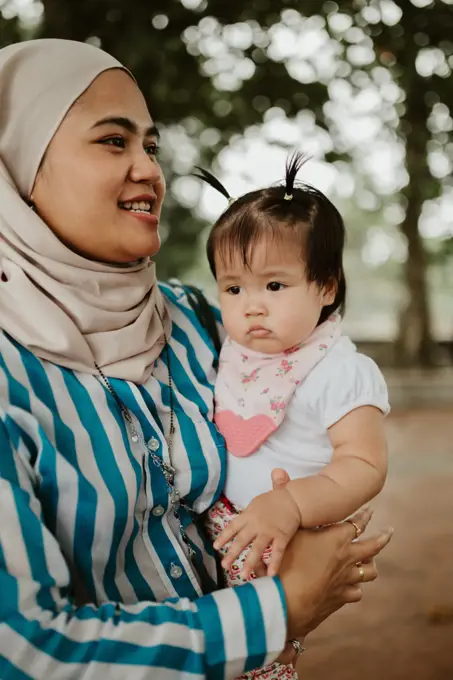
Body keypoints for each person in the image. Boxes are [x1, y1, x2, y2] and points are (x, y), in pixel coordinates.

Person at [0, 39, 393, 679]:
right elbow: (25, 652)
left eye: (151, 147)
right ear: (16, 163)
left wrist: (314, 503)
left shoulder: (192, 319)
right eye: (113, 141)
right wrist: (282, 608)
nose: (150, 170)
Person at [197, 158, 390, 677]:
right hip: (221, 531)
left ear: (326, 288)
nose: (252, 307)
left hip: (281, 539)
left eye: (274, 286)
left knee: (261, 658)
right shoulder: (235, 354)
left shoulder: (341, 370)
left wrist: (292, 504)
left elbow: (365, 464)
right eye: (234, 289)